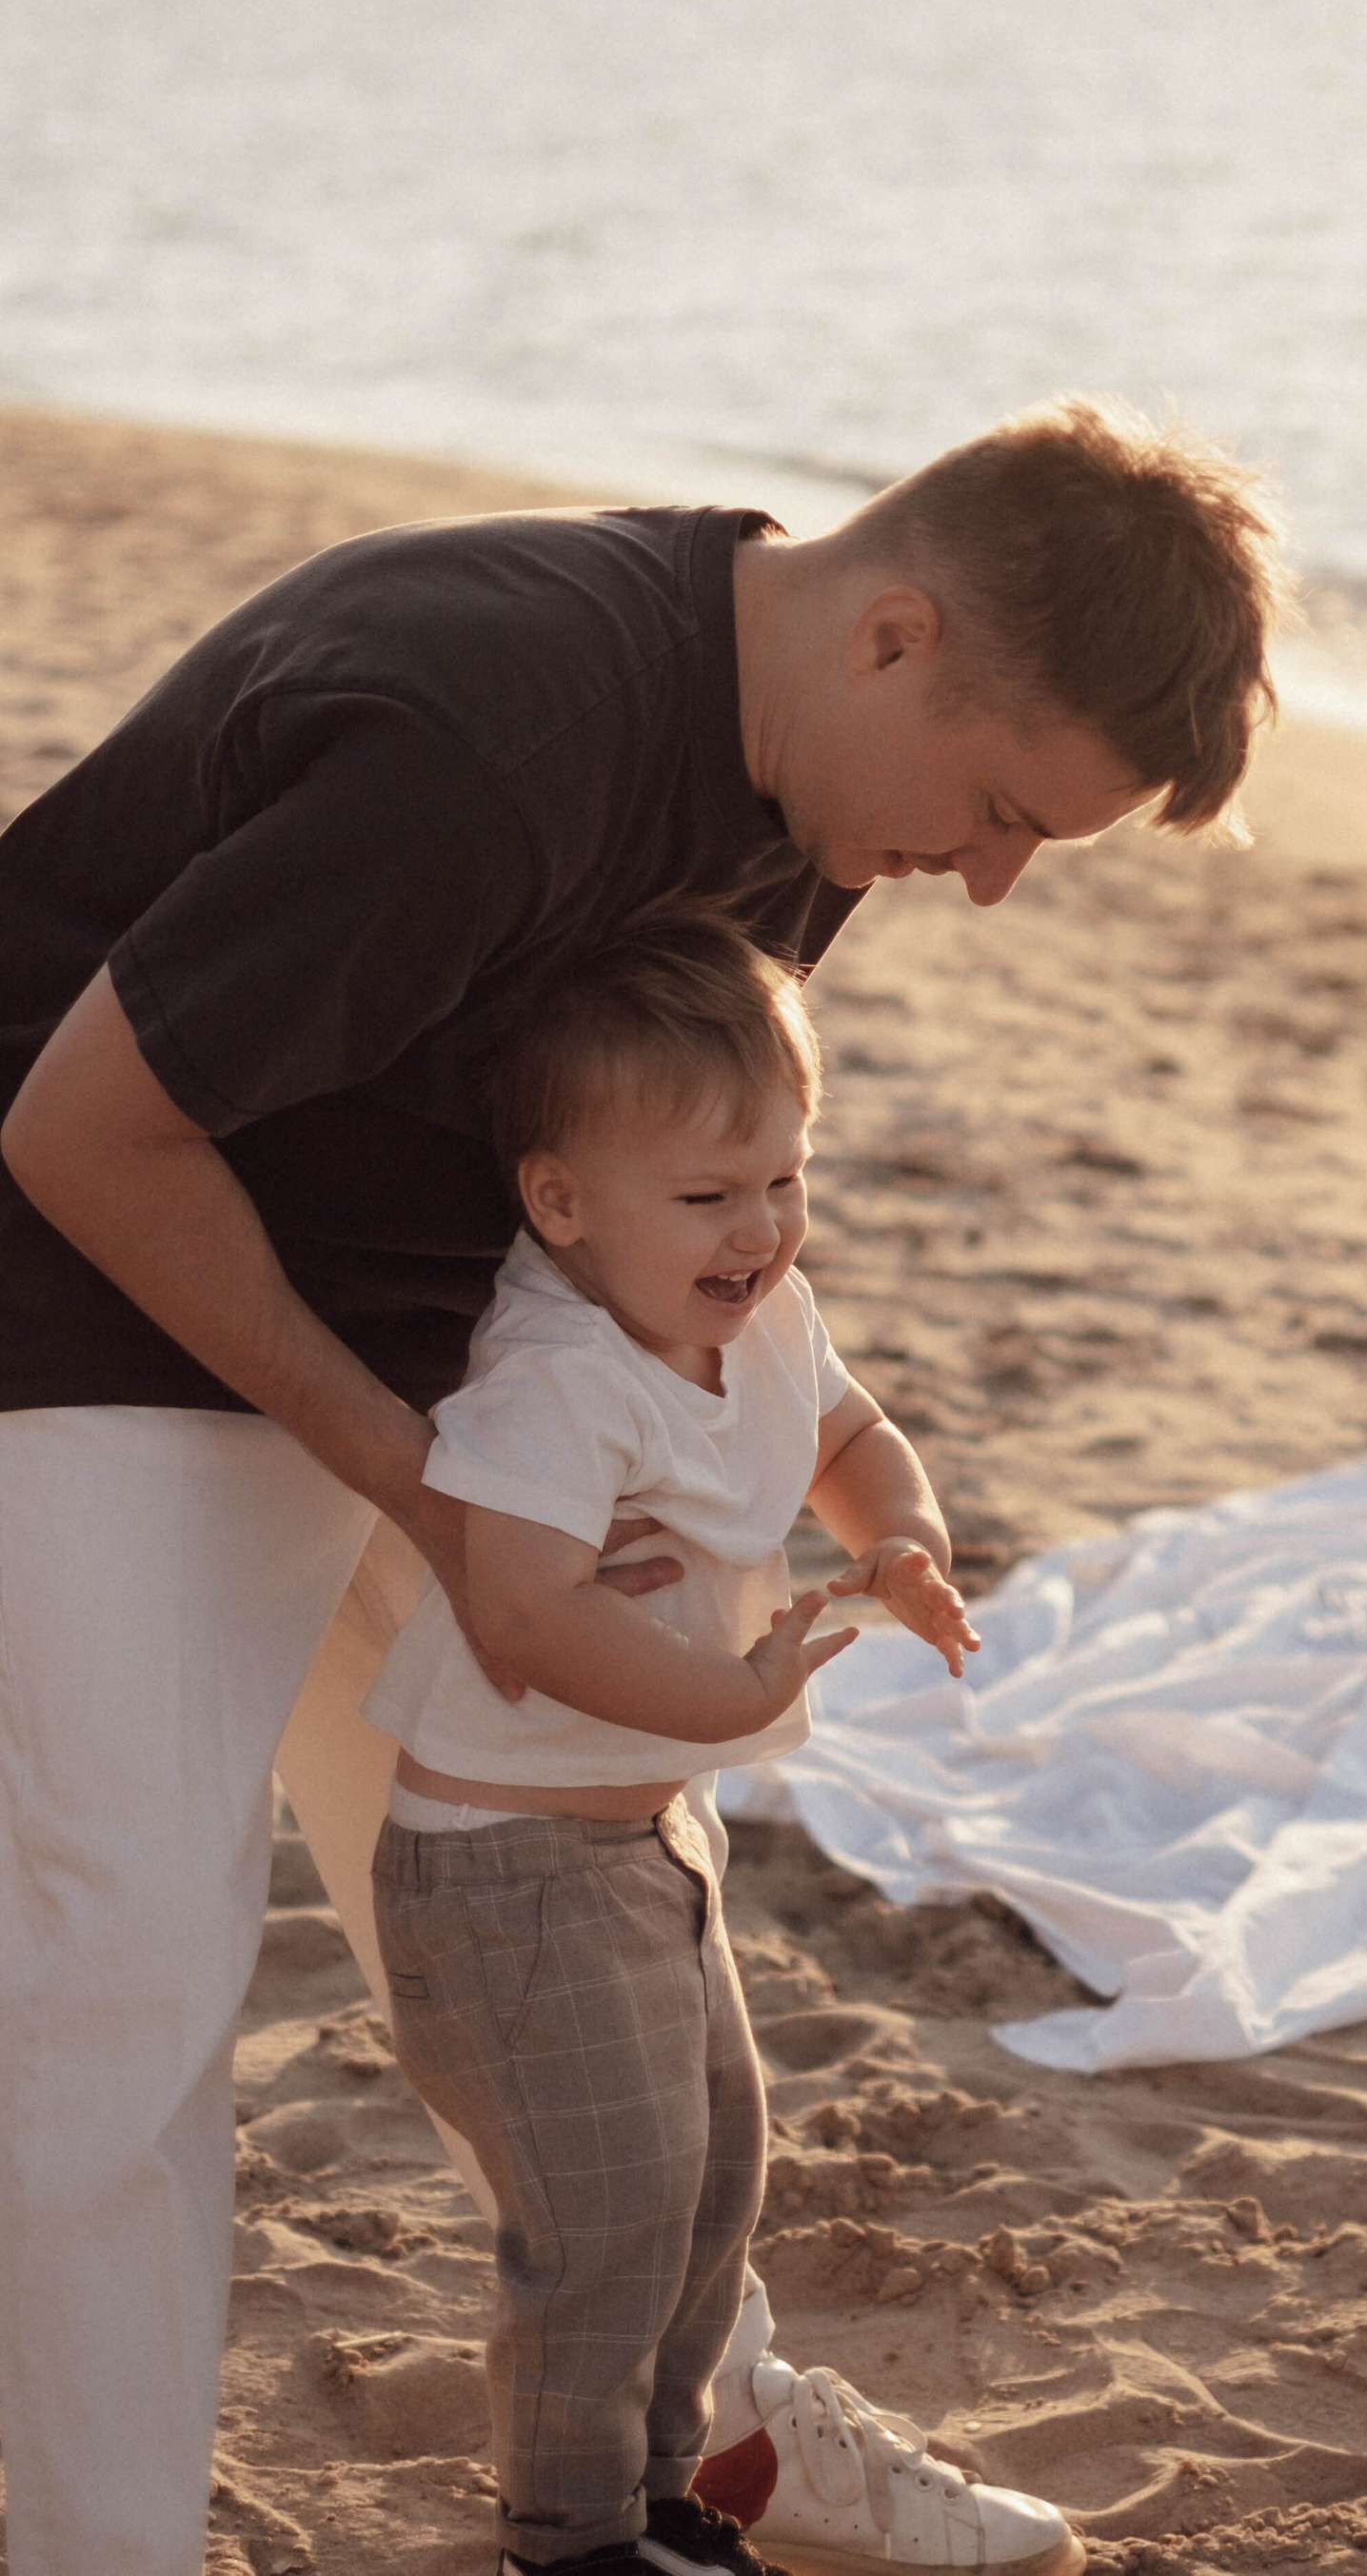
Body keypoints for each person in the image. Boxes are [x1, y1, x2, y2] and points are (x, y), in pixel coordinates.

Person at [0, 396, 1285, 2576]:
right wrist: (429, 1489)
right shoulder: (493, 735)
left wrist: (765, 1449)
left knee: (581, 1929)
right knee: (123, 1958)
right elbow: (78, 1132)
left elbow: (655, 1179)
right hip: (89, 1291)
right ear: (893, 635)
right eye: (996, 812)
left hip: (446, 1352)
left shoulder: (807, 780)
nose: (985, 881)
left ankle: (718, 2438)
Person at [367, 904, 1060, 2576]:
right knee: (601, 2226)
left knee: (710, 2177)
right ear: (562, 1201)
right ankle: (575, 2532)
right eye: (707, 1197)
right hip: (510, 1875)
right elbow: (527, 1614)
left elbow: (852, 1430)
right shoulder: (553, 1377)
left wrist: (900, 1536)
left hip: (643, 1840)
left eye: (784, 1178)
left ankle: (674, 2492)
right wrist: (739, 1703)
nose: (758, 1230)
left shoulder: (753, 1310)